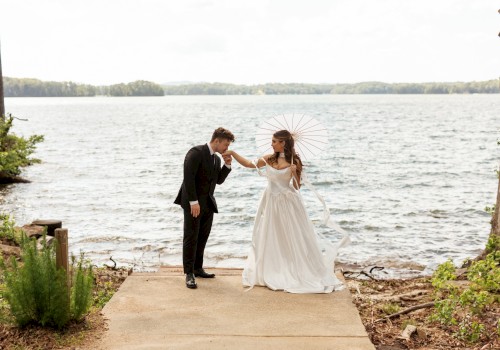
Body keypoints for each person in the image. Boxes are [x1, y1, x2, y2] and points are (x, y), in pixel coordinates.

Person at [222, 129, 344, 293]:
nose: (271, 144)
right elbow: (249, 164)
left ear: (283, 143)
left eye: (274, 141)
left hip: (289, 204)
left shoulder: (295, 161)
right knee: (272, 235)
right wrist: (233, 153)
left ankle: (295, 269)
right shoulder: (268, 159)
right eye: (272, 141)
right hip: (271, 201)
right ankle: (273, 269)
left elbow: (296, 187)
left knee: (291, 236)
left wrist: (295, 173)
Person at [174, 127, 235, 289]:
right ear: (217, 141)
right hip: (193, 203)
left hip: (208, 203)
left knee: (203, 237)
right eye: (226, 145)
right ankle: (189, 274)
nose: (226, 149)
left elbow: (218, 181)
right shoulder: (195, 152)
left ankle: (198, 268)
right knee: (191, 237)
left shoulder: (216, 159)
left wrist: (227, 166)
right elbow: (188, 178)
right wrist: (193, 202)